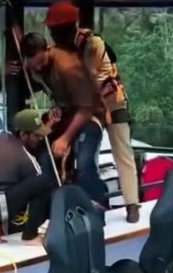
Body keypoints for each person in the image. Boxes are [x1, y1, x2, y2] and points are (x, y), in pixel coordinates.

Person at [45, 0, 140, 223]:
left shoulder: (91, 44)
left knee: (122, 152)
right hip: (88, 106)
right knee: (83, 158)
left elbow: (89, 78)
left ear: (69, 28)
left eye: (56, 31)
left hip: (110, 102)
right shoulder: (63, 50)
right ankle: (87, 201)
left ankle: (132, 203)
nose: (54, 36)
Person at [19, 32, 109, 208]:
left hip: (89, 115)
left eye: (41, 62)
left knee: (84, 162)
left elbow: (86, 107)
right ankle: (55, 204)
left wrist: (65, 138)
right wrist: (5, 71)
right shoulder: (33, 67)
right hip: (67, 115)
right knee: (45, 156)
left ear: (47, 49)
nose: (39, 67)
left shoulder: (67, 66)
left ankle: (99, 205)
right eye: (34, 64)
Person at [0, 109, 57, 245]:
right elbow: (41, 179)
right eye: (37, 135)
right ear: (23, 135)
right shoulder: (23, 157)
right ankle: (30, 236)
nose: (40, 139)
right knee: (45, 183)